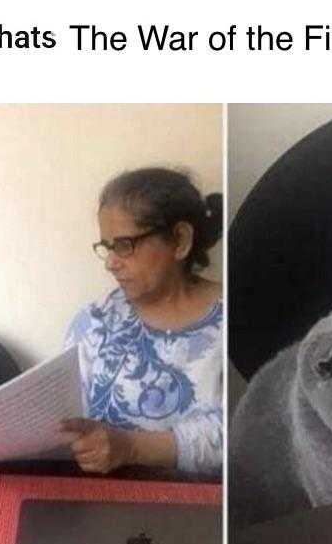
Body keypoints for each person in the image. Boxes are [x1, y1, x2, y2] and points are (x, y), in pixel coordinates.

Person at [60, 167, 223, 477]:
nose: (110, 263)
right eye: (107, 247)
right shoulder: (94, 322)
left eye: (124, 245)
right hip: (98, 501)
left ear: (180, 241)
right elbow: (64, 417)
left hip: (200, 510)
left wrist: (131, 447)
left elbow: (236, 434)